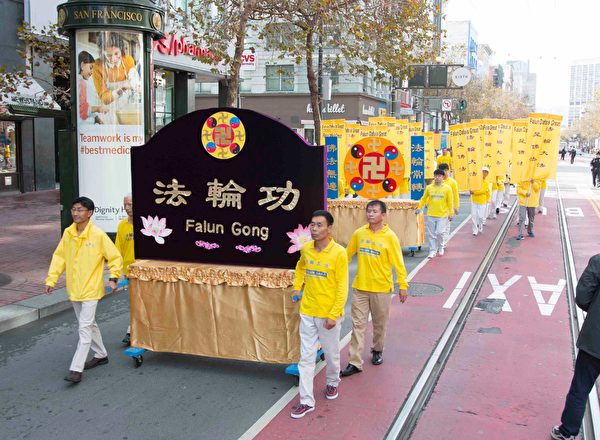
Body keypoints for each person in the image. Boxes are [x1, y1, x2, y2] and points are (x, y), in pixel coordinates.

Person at [44, 197, 122, 383]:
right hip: (74, 288)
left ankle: (76, 369)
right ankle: (101, 354)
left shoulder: (98, 235)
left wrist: (113, 278)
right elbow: (59, 258)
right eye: (74, 209)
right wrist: (51, 279)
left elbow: (114, 257)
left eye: (80, 210)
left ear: (90, 213)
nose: (76, 213)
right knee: (88, 324)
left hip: (91, 289)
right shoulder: (68, 233)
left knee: (84, 328)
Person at [290, 210, 348, 419]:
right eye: (312, 225)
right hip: (307, 311)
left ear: (329, 228)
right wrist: (297, 288)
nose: (314, 229)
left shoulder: (339, 253)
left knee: (331, 355)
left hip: (328, 315)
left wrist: (333, 315)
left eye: (319, 225)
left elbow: (342, 287)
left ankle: (332, 382)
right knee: (306, 358)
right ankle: (306, 401)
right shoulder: (306, 249)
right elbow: (300, 267)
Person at [340, 200, 408, 378]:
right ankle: (354, 362)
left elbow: (398, 263)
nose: (370, 214)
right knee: (358, 325)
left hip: (382, 289)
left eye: (374, 211)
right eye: (368, 211)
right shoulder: (359, 234)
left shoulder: (390, 237)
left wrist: (403, 285)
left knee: (379, 324)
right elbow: (346, 256)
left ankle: (377, 350)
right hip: (360, 288)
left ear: (383, 215)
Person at [551, 254, 600, 440]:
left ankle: (568, 431)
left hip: (595, 340)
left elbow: (582, 297)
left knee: (580, 386)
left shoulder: (598, 261)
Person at [93, 32, 140, 106]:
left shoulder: (128, 60)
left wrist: (133, 84)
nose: (113, 59)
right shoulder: (97, 65)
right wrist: (121, 89)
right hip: (106, 110)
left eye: (116, 53)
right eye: (109, 55)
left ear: (121, 49)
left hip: (125, 108)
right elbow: (104, 98)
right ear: (102, 53)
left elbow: (136, 84)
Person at [416, 169, 454, 258]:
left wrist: (451, 213)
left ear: (443, 177)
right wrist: (419, 207)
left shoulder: (447, 188)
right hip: (431, 214)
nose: (437, 178)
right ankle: (432, 250)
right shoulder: (429, 187)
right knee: (432, 234)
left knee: (440, 232)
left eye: (439, 176)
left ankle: (441, 246)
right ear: (434, 176)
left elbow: (450, 202)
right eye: (436, 176)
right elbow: (424, 198)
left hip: (442, 215)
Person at [115, 193, 135, 346]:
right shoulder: (122, 226)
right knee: (135, 303)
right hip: (129, 272)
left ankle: (131, 331)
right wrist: (117, 274)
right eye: (125, 205)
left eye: (131, 204)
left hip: (146, 271)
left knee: (140, 303)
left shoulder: (147, 222)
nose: (127, 208)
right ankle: (132, 331)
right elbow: (117, 252)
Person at [78, 51, 109, 124]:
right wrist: (97, 108)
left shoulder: (81, 81)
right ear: (82, 65)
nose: (92, 72)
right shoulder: (81, 83)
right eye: (90, 67)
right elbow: (82, 112)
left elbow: (84, 107)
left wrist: (96, 117)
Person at [438, 162, 459, 253]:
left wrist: (456, 206)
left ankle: (443, 243)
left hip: (448, 208)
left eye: (447, 170)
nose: (445, 172)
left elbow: (456, 195)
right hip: (438, 208)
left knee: (446, 226)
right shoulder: (437, 181)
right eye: (443, 170)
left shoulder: (452, 182)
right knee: (438, 228)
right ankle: (441, 242)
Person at [470, 166, 491, 236]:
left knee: (481, 216)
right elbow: (472, 188)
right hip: (474, 200)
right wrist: (471, 191)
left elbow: (483, 191)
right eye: (483, 171)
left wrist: (474, 192)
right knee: (474, 216)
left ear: (487, 174)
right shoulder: (475, 180)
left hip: (482, 201)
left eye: (486, 172)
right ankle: (475, 230)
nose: (484, 173)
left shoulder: (487, 183)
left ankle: (480, 225)